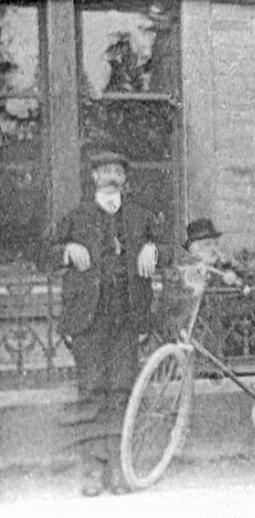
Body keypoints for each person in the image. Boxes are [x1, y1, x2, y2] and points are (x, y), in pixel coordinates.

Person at [51, 151, 171, 496]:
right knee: (91, 391)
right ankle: (92, 468)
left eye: (116, 172)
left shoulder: (140, 216)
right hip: (88, 319)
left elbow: (171, 248)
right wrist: (67, 250)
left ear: (124, 179)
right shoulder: (76, 217)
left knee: (121, 391)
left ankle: (118, 467)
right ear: (93, 179)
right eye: (103, 172)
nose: (110, 178)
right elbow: (43, 251)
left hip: (127, 317)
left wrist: (152, 249)